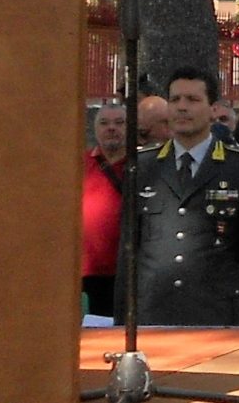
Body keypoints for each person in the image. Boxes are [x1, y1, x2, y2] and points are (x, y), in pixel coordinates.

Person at [130, 67, 239, 325]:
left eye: (193, 100)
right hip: (153, 312)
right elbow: (129, 252)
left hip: (216, 313)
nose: (182, 108)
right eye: (175, 100)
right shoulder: (144, 165)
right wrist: (124, 320)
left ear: (213, 109)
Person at [82, 101, 131, 316]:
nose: (111, 128)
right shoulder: (79, 164)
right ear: (95, 129)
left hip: (125, 274)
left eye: (119, 123)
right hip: (85, 272)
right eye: (104, 123)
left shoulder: (141, 165)